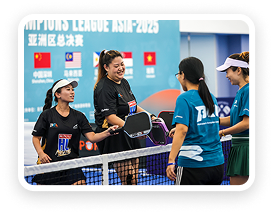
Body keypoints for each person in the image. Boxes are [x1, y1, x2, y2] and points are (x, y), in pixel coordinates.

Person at [32, 79, 118, 185]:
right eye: (68, 89)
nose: (72, 92)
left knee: (80, 184)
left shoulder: (79, 116)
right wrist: (41, 154)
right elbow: (36, 138)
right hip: (49, 165)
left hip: (71, 164)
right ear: (58, 94)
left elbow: (92, 137)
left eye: (73, 90)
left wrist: (107, 132)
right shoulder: (47, 115)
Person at [94, 50, 156, 185]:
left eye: (122, 64)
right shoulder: (104, 88)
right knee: (130, 181)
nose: (121, 68)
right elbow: (110, 117)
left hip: (130, 135)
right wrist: (133, 130)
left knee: (134, 180)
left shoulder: (124, 82)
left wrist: (150, 116)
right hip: (115, 137)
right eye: (116, 66)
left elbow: (133, 106)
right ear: (106, 67)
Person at [166, 57, 224, 185]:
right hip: (217, 165)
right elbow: (206, 124)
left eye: (178, 74)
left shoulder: (184, 98)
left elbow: (182, 131)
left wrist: (171, 161)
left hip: (193, 166)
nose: (178, 77)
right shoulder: (211, 97)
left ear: (183, 75)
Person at [216, 51, 249, 185]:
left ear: (239, 70)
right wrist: (214, 121)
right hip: (238, 147)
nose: (226, 76)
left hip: (246, 148)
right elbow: (236, 119)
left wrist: (222, 132)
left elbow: (247, 123)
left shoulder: (249, 90)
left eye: (227, 71)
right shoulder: (242, 90)